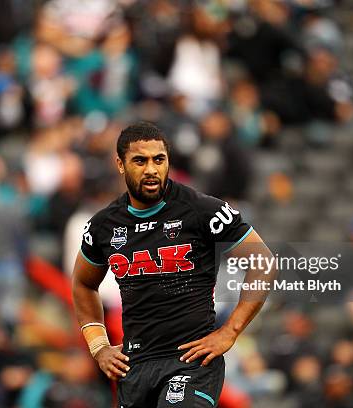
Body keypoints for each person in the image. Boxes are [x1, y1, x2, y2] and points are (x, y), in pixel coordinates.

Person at [72, 122, 275, 407]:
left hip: (192, 362)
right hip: (136, 366)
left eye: (159, 159)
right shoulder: (103, 226)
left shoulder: (202, 210)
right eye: (140, 161)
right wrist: (99, 346)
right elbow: (83, 283)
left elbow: (262, 260)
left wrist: (230, 331)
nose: (152, 169)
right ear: (120, 164)